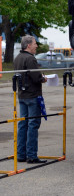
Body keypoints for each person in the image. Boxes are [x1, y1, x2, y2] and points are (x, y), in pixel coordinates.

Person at [14, 35, 47, 163]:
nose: (36, 46)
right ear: (28, 45)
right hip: (33, 96)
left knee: (23, 125)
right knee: (33, 125)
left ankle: (21, 154)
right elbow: (36, 78)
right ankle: (32, 155)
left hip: (22, 96)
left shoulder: (17, 58)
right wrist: (43, 78)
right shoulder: (30, 59)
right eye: (34, 44)